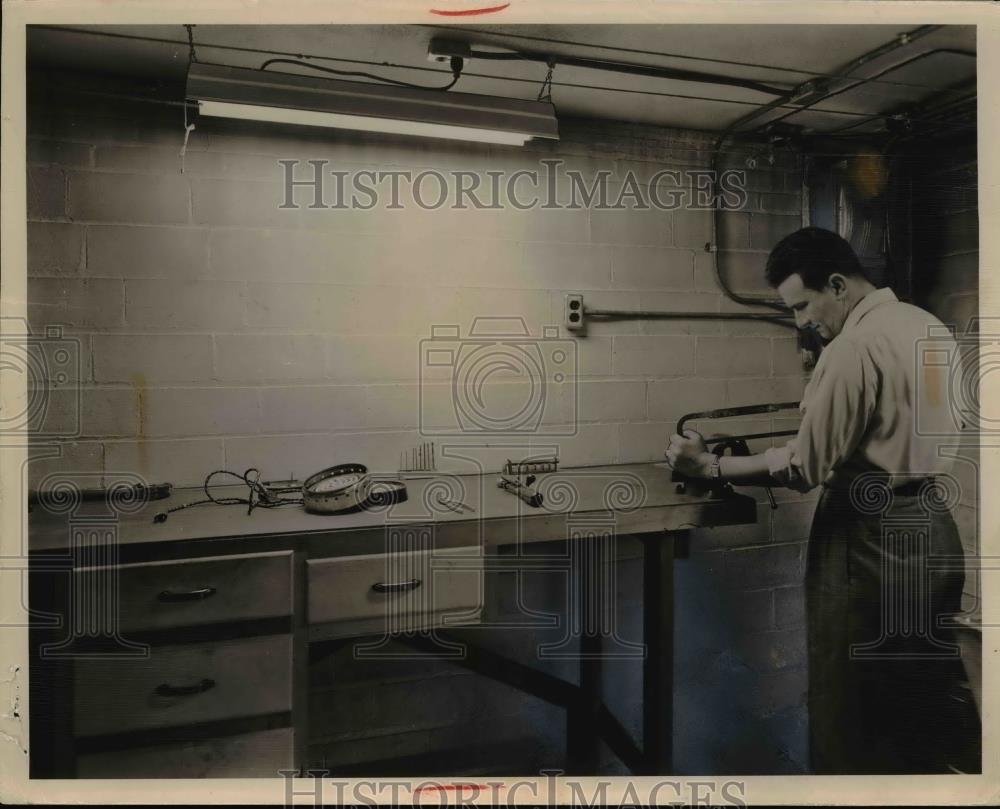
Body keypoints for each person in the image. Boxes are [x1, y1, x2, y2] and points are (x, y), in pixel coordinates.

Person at [665, 226, 980, 774]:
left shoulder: (851, 349)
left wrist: (709, 466)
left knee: (849, 698)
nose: (800, 322)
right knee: (924, 692)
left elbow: (806, 467)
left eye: (802, 305)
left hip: (868, 537)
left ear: (837, 284)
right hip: (932, 524)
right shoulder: (928, 327)